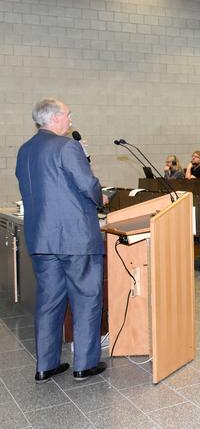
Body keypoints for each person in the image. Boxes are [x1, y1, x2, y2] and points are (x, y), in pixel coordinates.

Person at [15, 98, 107, 382]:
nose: (70, 120)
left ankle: (46, 365)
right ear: (55, 118)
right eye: (68, 115)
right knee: (86, 299)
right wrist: (100, 198)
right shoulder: (67, 146)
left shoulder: (25, 150)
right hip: (75, 237)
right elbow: (86, 183)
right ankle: (84, 364)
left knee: (49, 302)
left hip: (41, 240)